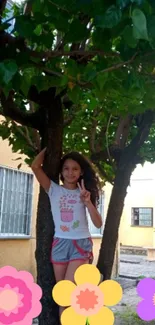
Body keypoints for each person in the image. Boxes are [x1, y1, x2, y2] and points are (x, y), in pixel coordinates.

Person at [31, 148, 103, 320]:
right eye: (66, 168)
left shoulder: (85, 193)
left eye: (75, 169)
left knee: (69, 293)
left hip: (80, 245)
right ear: (61, 172)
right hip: (60, 245)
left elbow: (98, 223)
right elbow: (35, 166)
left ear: (81, 172)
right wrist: (50, 147)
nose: (70, 172)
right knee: (63, 297)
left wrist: (87, 202)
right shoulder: (53, 189)